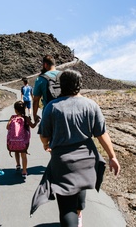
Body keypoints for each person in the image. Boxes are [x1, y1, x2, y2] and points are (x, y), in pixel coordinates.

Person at [31, 69, 120, 227]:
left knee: (66, 209)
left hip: (62, 163)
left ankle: (74, 219)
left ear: (61, 86)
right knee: (80, 185)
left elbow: (44, 135)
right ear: (79, 85)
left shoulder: (52, 107)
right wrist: (112, 157)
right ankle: (79, 217)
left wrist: (46, 144)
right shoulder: (91, 105)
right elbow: (102, 134)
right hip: (86, 161)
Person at [7, 101, 39, 178]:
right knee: (23, 155)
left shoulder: (12, 117)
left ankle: (18, 164)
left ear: (15, 110)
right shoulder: (26, 118)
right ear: (24, 108)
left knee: (16, 151)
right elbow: (33, 126)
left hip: (13, 141)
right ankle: (24, 171)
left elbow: (7, 127)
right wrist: (37, 121)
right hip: (23, 141)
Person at [32, 54, 60, 121]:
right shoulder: (65, 75)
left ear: (45, 65)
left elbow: (36, 100)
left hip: (48, 114)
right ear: (54, 64)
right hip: (65, 113)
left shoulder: (41, 79)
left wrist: (34, 115)